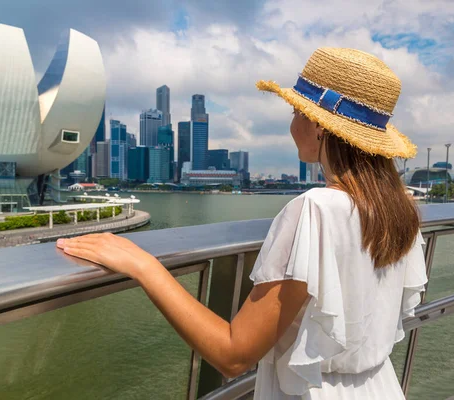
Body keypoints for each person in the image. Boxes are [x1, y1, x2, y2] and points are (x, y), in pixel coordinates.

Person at [56, 48, 427, 399]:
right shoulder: (400, 210)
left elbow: (234, 355)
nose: (292, 122)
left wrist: (143, 265)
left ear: (317, 125)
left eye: (296, 111)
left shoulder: (316, 209)